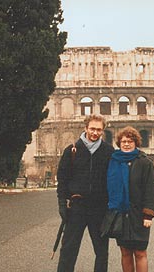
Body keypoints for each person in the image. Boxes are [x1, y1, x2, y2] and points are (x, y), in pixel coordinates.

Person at [56, 114, 114, 272]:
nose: (95, 133)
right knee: (68, 249)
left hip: (99, 209)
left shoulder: (109, 151)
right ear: (85, 128)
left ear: (103, 131)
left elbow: (113, 180)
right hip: (77, 207)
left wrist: (111, 208)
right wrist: (62, 203)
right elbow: (62, 179)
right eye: (92, 129)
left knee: (102, 251)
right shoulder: (72, 150)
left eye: (99, 130)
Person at [107, 126, 154, 272]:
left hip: (139, 214)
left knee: (140, 252)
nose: (126, 144)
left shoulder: (144, 162)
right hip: (120, 214)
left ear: (136, 143)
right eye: (123, 141)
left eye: (130, 141)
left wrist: (148, 214)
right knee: (125, 252)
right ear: (119, 143)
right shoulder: (114, 161)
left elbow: (151, 190)